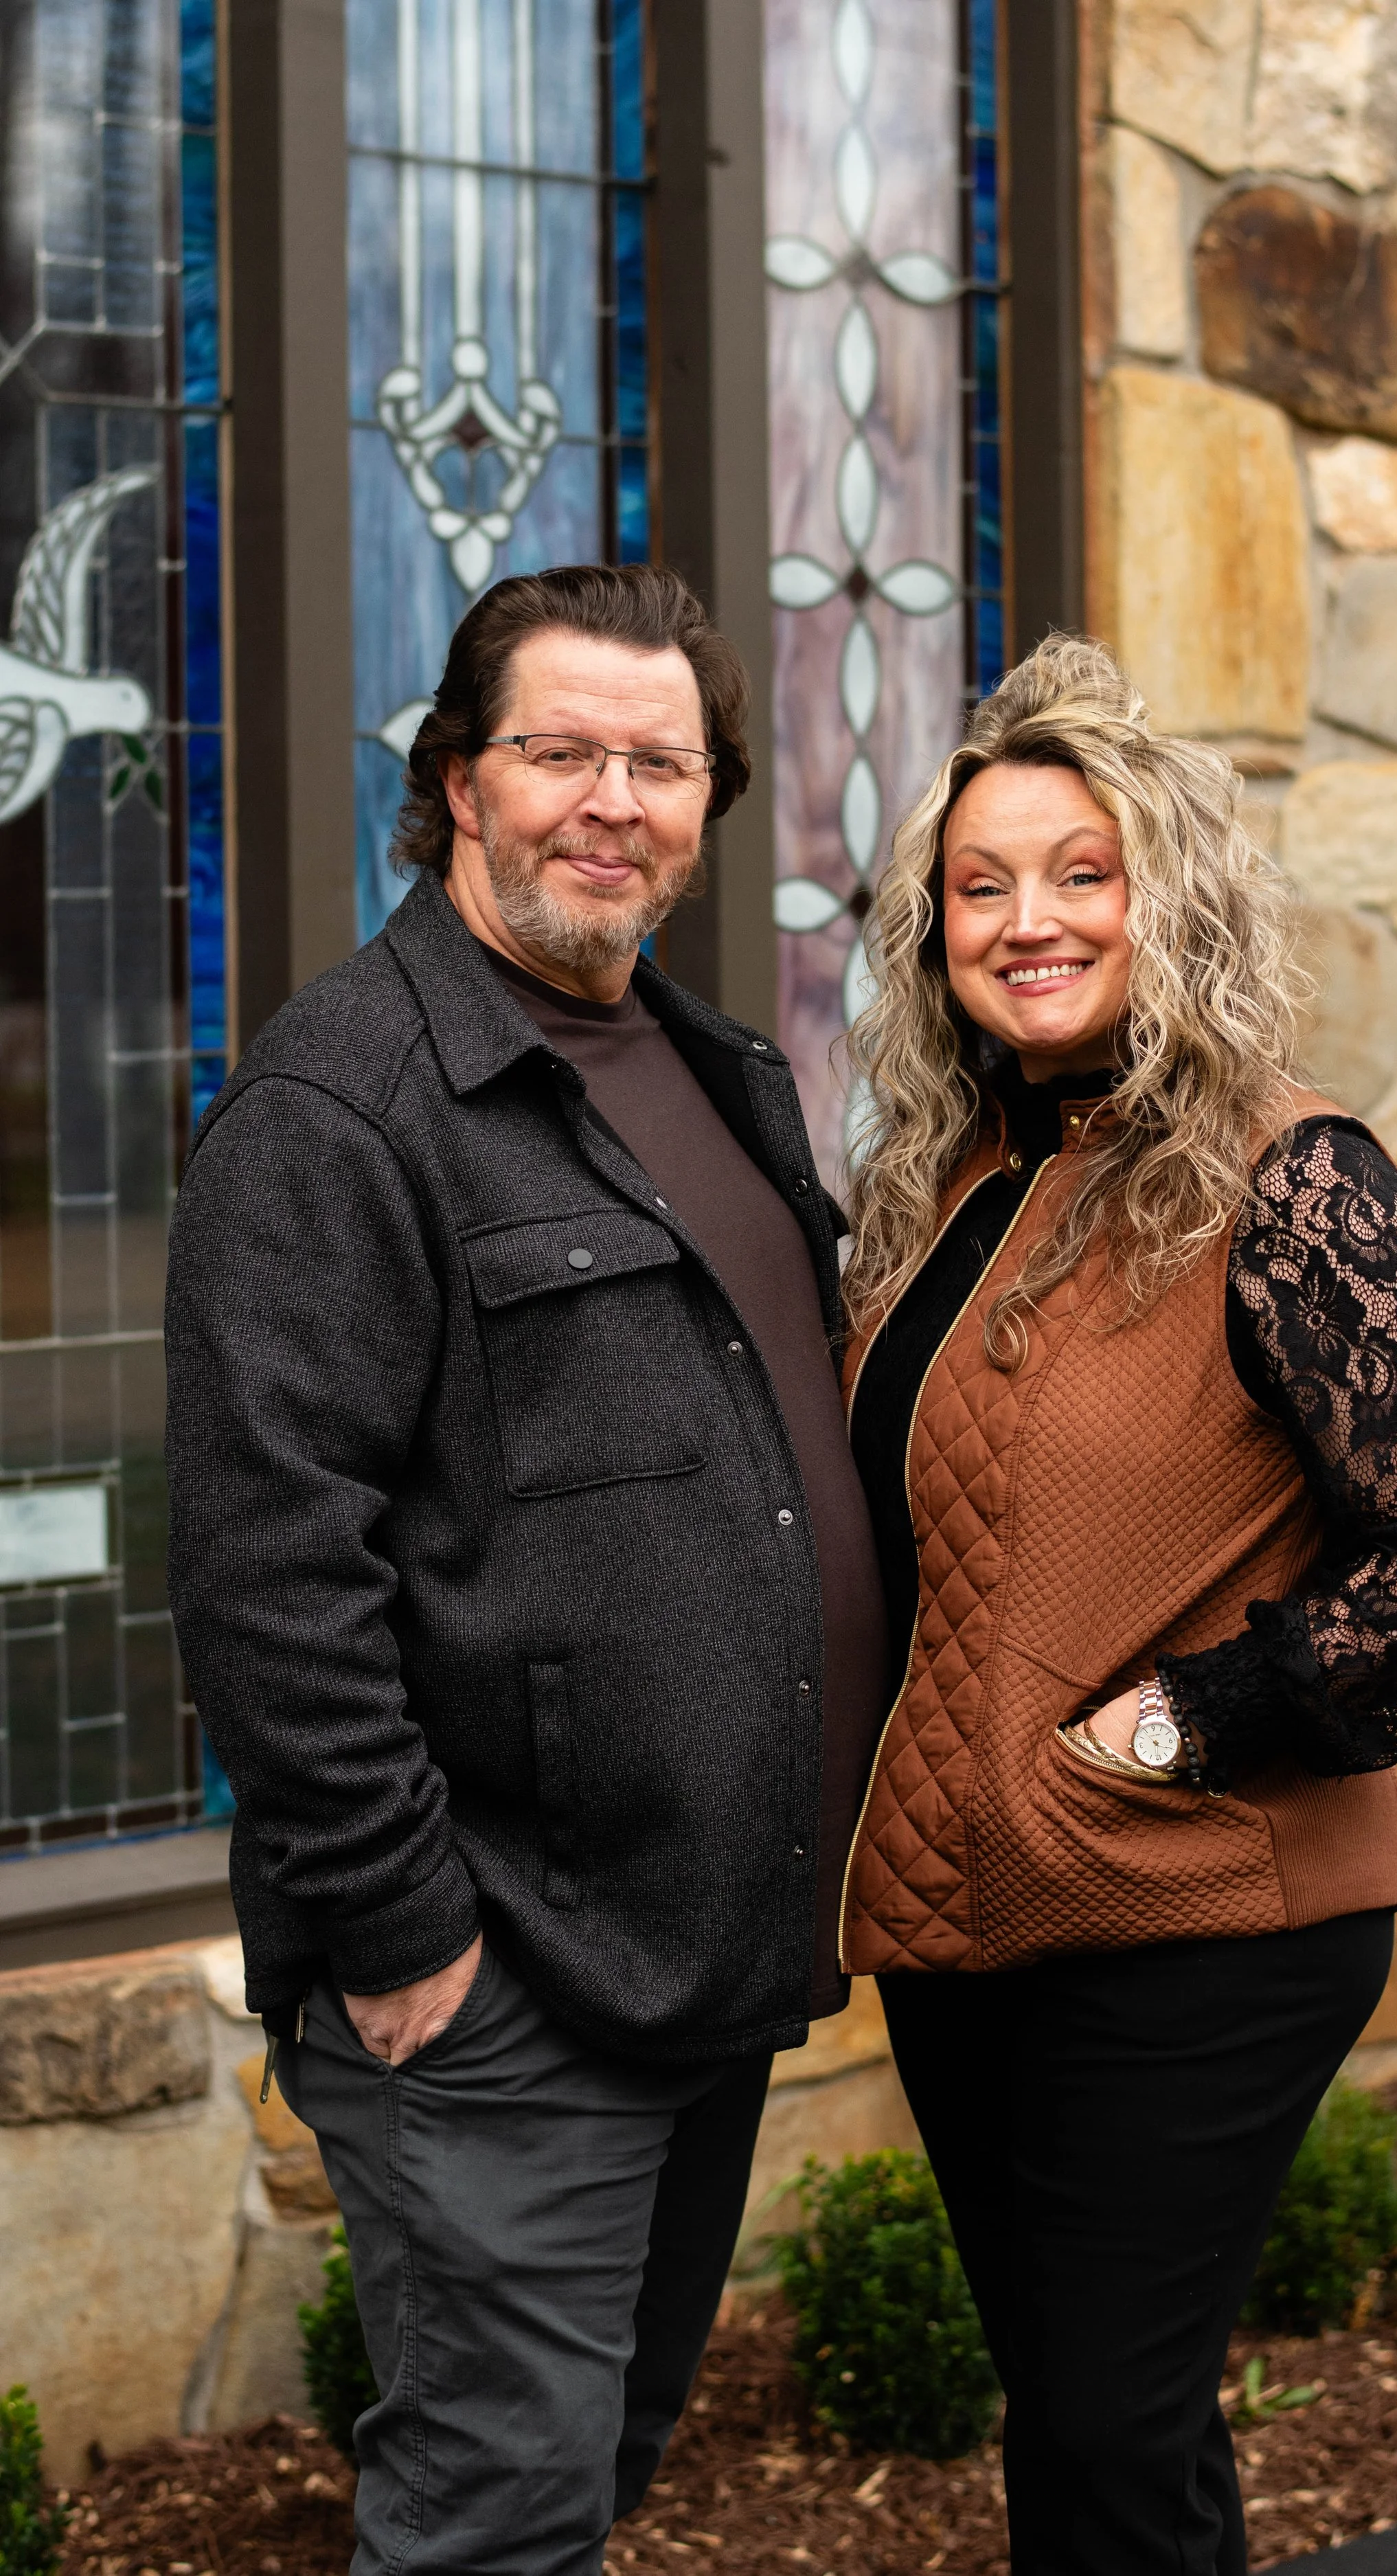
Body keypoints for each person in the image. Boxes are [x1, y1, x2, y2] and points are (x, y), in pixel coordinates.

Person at [164, 564, 889, 2575]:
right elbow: (266, 1573)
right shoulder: (342, 1110)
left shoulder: (718, 1073)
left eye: (657, 760)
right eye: (559, 749)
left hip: (700, 1953)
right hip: (505, 1987)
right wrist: (406, 1942)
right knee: (493, 2518)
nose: (612, 798)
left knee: (593, 2468)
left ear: (706, 798)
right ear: (458, 783)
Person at [837, 635, 1397, 2576]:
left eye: (1081, 872)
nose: (1026, 919)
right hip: (970, 1922)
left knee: (1103, 2431)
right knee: (1091, 2426)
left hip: (1195, 1914)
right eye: (982, 885)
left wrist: (1176, 1726)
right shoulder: (943, 1182)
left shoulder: (1292, 1179)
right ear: (934, 927)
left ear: (1171, 898)